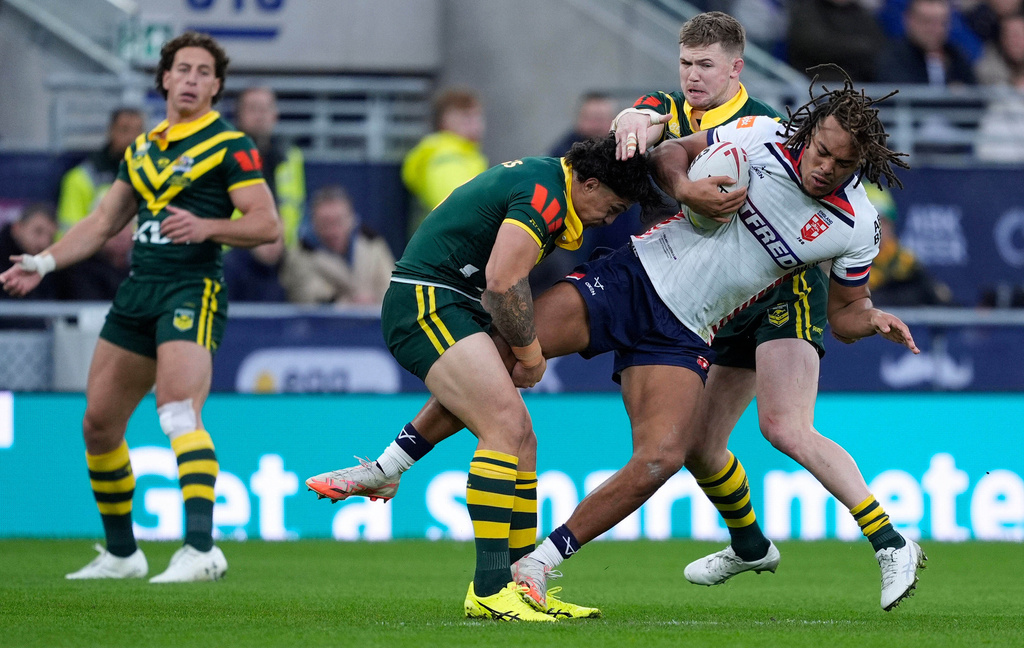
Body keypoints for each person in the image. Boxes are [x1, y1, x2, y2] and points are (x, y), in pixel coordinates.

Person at [308, 67, 927, 613]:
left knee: (662, 457)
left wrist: (870, 318)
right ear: (809, 134)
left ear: (860, 166)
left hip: (685, 330)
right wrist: (685, 189)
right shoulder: (760, 136)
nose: (825, 166)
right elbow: (670, 155)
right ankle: (387, 468)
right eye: (821, 151)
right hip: (631, 277)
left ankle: (538, 565)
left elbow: (845, 313)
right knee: (498, 355)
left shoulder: (857, 225)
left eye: (841, 163)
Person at [322, 135, 662, 621]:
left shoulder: (547, 182)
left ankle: (519, 583)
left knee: (522, 439)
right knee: (504, 426)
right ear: (589, 184)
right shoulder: (545, 194)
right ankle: (489, 588)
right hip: (427, 300)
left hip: (453, 301)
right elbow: (503, 282)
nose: (609, 220)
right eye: (612, 207)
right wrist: (530, 353)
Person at [1, 31, 280, 582]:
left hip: (191, 288)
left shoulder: (231, 146)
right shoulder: (144, 147)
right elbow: (104, 221)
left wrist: (208, 227)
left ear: (216, 87)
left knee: (177, 411)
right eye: (183, 69)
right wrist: (45, 262)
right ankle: (122, 554)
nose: (192, 79)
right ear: (165, 79)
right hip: (138, 290)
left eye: (204, 72)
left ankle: (201, 550)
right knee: (98, 424)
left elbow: (267, 224)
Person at [279, 185, 395, 306]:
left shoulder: (373, 244)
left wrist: (373, 301)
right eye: (325, 223)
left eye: (338, 221)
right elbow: (310, 297)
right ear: (313, 222)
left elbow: (392, 288)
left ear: (351, 219)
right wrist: (351, 305)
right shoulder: (299, 255)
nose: (333, 231)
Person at [401, 87, 488, 237]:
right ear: (445, 121)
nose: (476, 124)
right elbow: (459, 206)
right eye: (466, 117)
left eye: (477, 116)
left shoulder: (466, 155)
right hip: (451, 242)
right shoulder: (445, 157)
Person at [233, 86, 306, 248]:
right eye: (253, 108)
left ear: (275, 115)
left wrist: (279, 236)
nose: (260, 115)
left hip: (282, 248)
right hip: (234, 249)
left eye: (265, 109)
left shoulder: (291, 156)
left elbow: (296, 208)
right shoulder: (223, 154)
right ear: (239, 114)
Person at [57, 108, 146, 236]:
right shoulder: (80, 177)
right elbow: (68, 231)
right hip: (94, 247)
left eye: (138, 131)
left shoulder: (154, 174)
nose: (132, 138)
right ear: (111, 131)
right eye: (124, 130)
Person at [865, 184, 954, 306]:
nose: (879, 228)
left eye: (884, 221)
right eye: (872, 221)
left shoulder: (905, 261)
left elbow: (939, 297)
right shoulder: (847, 263)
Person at [875, 0, 978, 86]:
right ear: (908, 20)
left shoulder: (956, 55)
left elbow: (975, 94)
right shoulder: (893, 57)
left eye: (942, 23)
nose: (935, 30)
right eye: (927, 22)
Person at [786, 0, 888, 83]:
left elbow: (877, 44)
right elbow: (818, 45)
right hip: (817, 80)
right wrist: (859, 47)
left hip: (859, 79)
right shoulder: (807, 10)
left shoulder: (858, 12)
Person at [0, 203, 59, 302]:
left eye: (51, 237)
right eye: (38, 231)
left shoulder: (55, 268)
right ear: (17, 228)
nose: (44, 242)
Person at [547, 92, 618, 157]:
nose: (595, 126)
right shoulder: (562, 151)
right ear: (579, 119)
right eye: (590, 118)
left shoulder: (620, 148)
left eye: (600, 119)